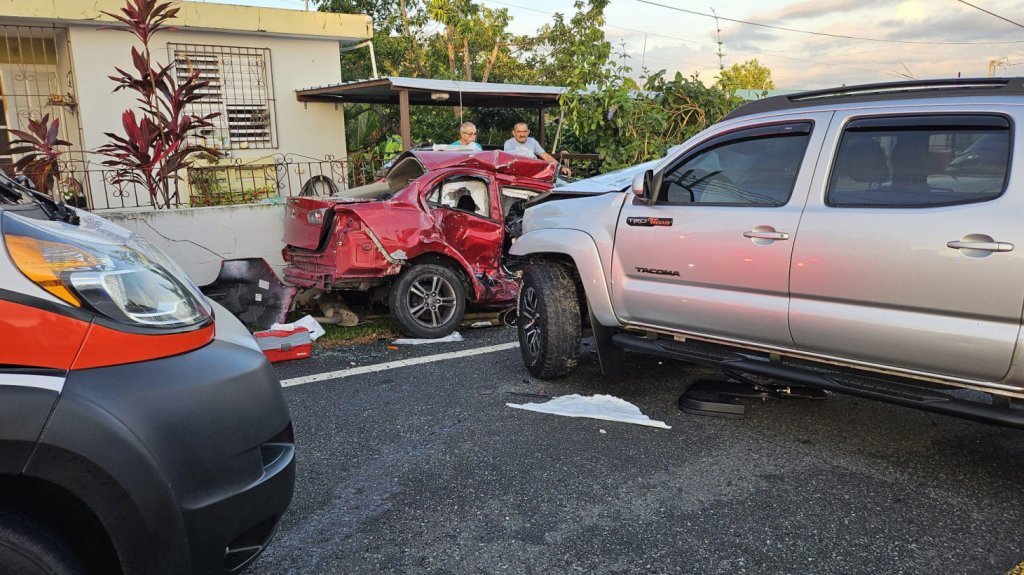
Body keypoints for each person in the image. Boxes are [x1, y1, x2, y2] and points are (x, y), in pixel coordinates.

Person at [503, 122, 571, 176]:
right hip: (517, 175)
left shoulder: (532, 141)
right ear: (513, 133)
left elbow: (545, 156)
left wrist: (561, 167)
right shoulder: (509, 143)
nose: (522, 134)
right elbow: (509, 162)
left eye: (524, 131)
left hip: (533, 173)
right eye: (519, 132)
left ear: (528, 132)